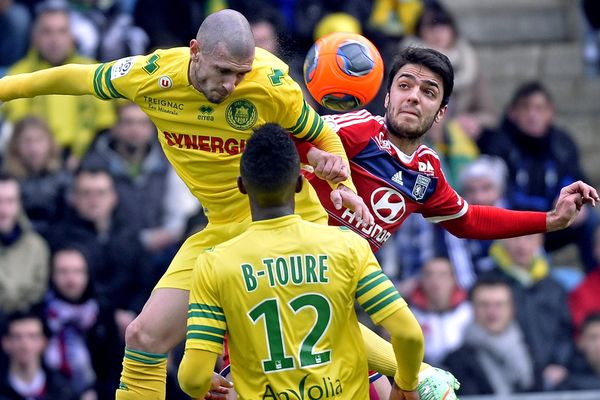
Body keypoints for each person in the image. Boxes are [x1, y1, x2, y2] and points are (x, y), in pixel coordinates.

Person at [0, 9, 373, 399]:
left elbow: (322, 136)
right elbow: (76, 78)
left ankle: (419, 379)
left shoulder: (271, 83)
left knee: (314, 339)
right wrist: (5, 88)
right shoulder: (152, 76)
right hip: (220, 229)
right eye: (224, 71)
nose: (231, 84)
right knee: (143, 337)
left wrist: (342, 182)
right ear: (194, 50)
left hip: (285, 219)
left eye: (240, 74)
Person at [178, 123, 424, 400]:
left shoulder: (213, 263)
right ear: (299, 183)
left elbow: (193, 378)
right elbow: (409, 334)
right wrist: (406, 383)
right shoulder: (347, 245)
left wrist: (200, 383)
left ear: (241, 186)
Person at [297, 47, 598, 258]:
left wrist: (550, 219)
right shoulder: (358, 128)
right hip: (293, 257)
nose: (414, 97)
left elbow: (469, 221)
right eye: (405, 86)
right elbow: (278, 137)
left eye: (428, 92)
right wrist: (314, 155)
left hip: (341, 278)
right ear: (388, 98)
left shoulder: (427, 172)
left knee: (409, 345)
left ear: (441, 114)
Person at [478, 81, 598, 270]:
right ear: (513, 112)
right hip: (512, 224)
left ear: (551, 113)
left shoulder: (562, 144)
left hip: (554, 222)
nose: (533, 115)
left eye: (539, 108)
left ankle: (593, 280)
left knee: (590, 218)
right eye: (526, 108)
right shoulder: (498, 142)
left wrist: (574, 199)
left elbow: (578, 179)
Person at [1, 2, 116, 165]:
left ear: (72, 36)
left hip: (86, 161)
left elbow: (105, 121)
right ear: (34, 37)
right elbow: (18, 124)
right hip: (34, 163)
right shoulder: (17, 74)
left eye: (62, 31)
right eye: (47, 32)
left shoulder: (93, 71)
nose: (54, 39)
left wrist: (81, 156)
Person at [485, 234, 574, 390]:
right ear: (502, 239)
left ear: (540, 241)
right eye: (514, 237)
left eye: (529, 238)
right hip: (505, 376)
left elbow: (565, 330)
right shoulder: (488, 284)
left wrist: (559, 362)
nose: (521, 245)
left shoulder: (553, 287)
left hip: (551, 378)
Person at [442, 276, 535, 395]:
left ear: (512, 309)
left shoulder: (532, 351)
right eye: (484, 305)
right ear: (473, 309)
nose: (492, 312)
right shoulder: (455, 363)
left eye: (499, 304)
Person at [2, 116, 71, 237]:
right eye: (27, 141)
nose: (34, 149)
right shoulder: (6, 178)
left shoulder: (63, 177)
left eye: (39, 140)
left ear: (50, 143)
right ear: (15, 145)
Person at [0, 173, 50, 314]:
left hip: (24, 325)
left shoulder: (37, 247)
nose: (3, 209)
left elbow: (38, 293)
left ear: (19, 204)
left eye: (9, 201)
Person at [0, 311, 79, 400]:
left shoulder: (64, 391)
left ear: (44, 342)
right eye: (17, 337)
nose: (25, 345)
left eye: (32, 336)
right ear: (5, 343)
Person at [409, 257, 472, 365]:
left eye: (442, 275)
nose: (435, 281)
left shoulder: (469, 312)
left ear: (454, 279)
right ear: (421, 280)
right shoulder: (409, 314)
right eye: (429, 275)